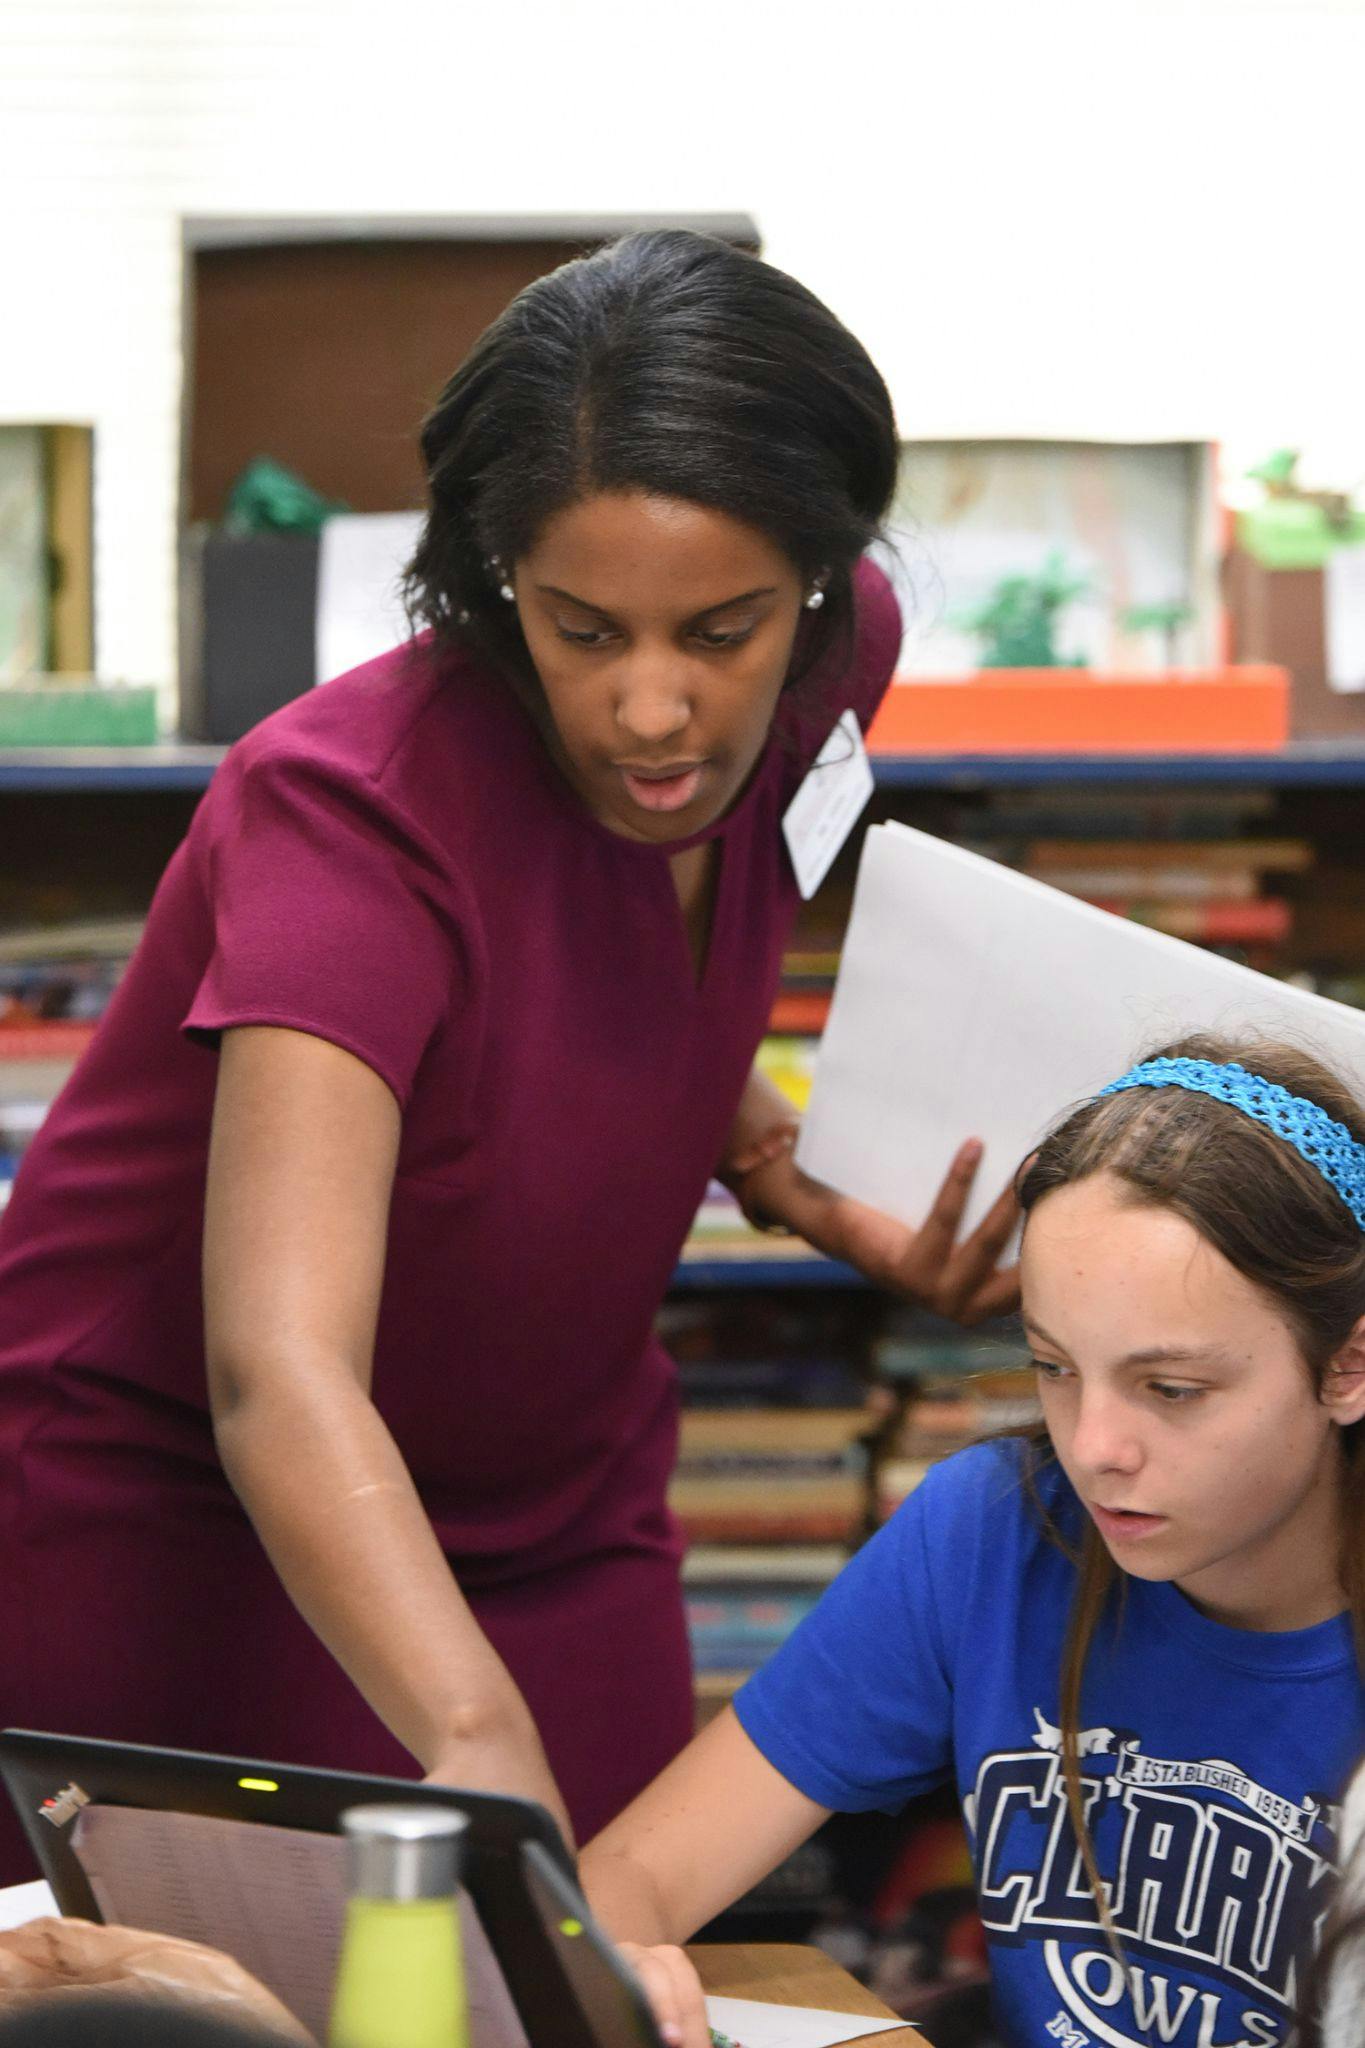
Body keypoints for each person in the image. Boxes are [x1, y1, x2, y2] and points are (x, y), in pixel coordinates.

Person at [0, 230, 1019, 1884]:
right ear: (495, 579)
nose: (652, 708)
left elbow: (588, 1001)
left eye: (724, 627)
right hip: (192, 1506)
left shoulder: (848, 651)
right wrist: (470, 1739)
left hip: (560, 1493)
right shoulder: (350, 821)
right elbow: (282, 1365)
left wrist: (791, 1176)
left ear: (821, 585)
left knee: (623, 1955)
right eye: (582, 627)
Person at [581, 1033, 1365, 2048]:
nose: (1093, 1448)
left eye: (1172, 1388)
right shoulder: (993, 1527)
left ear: (1347, 1364)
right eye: (1053, 1364)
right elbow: (626, 1878)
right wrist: (622, 1964)